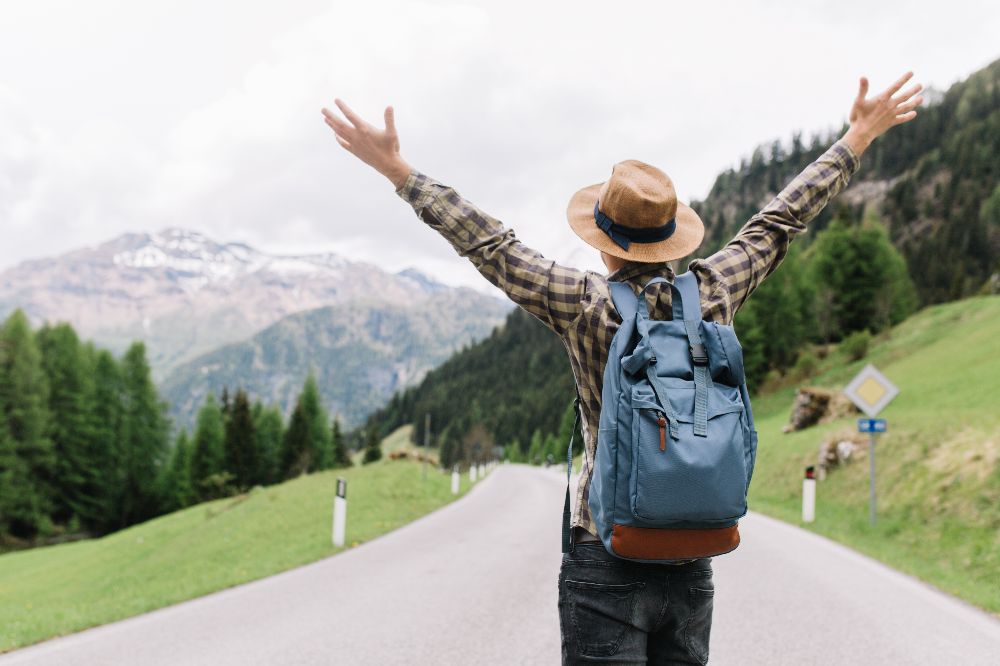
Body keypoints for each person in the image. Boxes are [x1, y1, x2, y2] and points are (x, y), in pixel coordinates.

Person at [321, 71, 923, 664]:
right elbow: (778, 222)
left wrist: (399, 172)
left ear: (602, 242)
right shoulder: (714, 292)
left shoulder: (583, 304)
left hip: (605, 551)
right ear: (672, 238)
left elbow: (491, 246)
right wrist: (857, 138)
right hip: (691, 555)